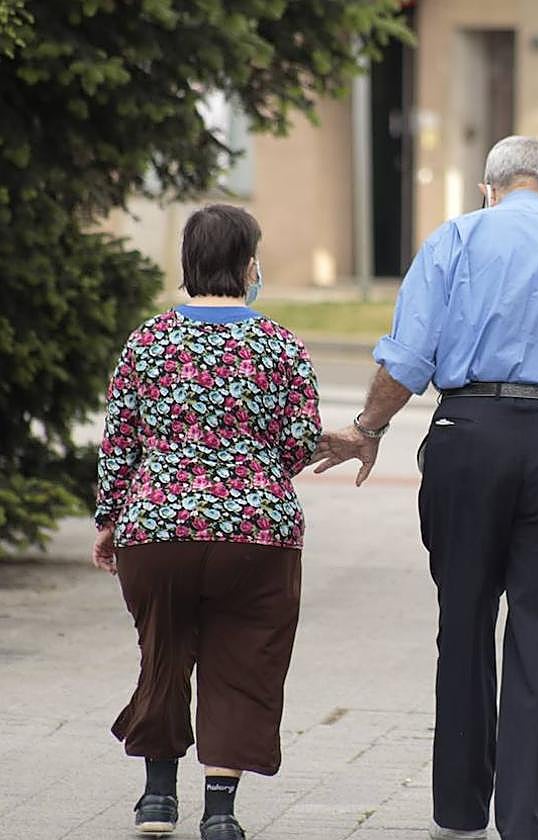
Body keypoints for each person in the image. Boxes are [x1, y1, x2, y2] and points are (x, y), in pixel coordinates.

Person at [310, 136, 538, 840]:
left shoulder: (455, 239)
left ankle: (461, 807)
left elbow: (408, 357)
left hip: (466, 436)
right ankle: (529, 819)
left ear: (487, 189)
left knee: (464, 617)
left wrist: (366, 427)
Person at [91, 204, 321, 840]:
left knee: (162, 651)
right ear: (249, 266)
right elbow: (299, 445)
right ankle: (220, 812)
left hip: (156, 530)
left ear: (187, 263)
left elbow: (120, 442)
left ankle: (157, 798)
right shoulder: (281, 346)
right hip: (257, 533)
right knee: (245, 658)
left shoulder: (148, 342)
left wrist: (110, 520)